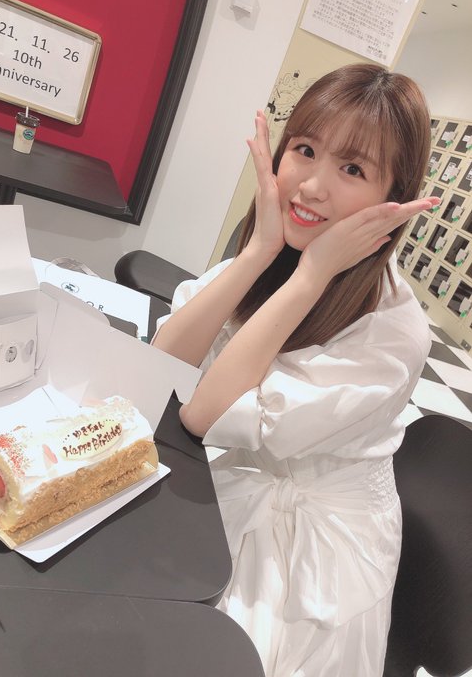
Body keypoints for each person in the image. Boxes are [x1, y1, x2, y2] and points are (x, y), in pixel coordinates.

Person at [153, 63, 438, 677]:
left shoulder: (393, 331)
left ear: (394, 198)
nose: (311, 186)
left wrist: (310, 277)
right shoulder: (283, 248)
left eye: (353, 169)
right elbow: (161, 364)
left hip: (314, 548)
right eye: (305, 150)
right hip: (231, 480)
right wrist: (259, 251)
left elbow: (204, 416)